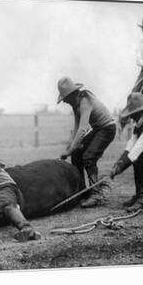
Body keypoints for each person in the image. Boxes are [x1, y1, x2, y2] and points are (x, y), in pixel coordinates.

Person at [57, 77, 116, 207]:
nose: (65, 101)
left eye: (65, 97)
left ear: (72, 94)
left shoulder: (85, 101)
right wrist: (69, 149)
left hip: (107, 128)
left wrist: (70, 149)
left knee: (89, 157)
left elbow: (83, 129)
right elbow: (76, 127)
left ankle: (96, 194)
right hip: (98, 129)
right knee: (77, 154)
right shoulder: (75, 104)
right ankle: (82, 192)